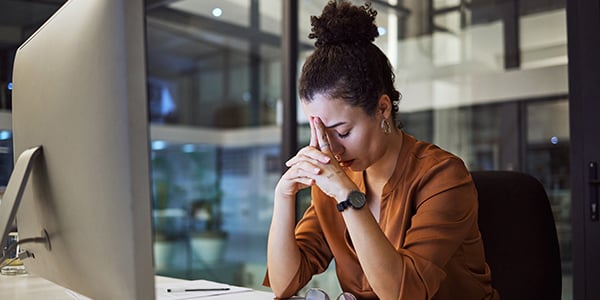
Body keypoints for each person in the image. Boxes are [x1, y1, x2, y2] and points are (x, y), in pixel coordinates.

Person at [264, 1, 499, 299]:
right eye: (322, 134)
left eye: (342, 131)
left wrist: (348, 197)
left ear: (382, 109)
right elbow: (284, 285)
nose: (332, 149)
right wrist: (283, 196)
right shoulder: (334, 182)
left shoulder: (443, 176)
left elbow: (405, 293)